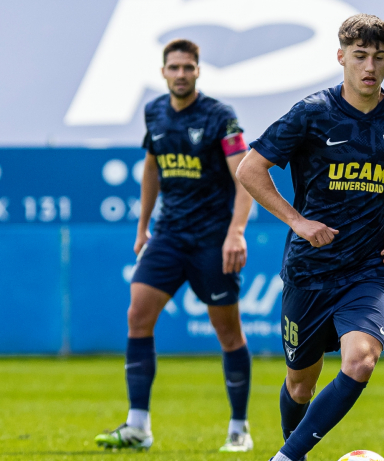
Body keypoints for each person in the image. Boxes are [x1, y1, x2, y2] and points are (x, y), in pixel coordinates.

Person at [236, 14, 384, 461]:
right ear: (341, 58)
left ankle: (286, 458)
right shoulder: (312, 113)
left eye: (379, 57)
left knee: (361, 360)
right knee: (301, 383)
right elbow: (249, 169)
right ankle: (292, 446)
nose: (369, 66)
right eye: (360, 57)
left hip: (366, 268)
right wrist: (297, 221)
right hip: (310, 270)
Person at [94, 39, 254, 453]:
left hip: (212, 241)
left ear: (198, 70)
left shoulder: (220, 116)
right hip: (167, 236)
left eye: (188, 67)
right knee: (137, 317)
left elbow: (246, 177)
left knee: (229, 333)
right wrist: (143, 227)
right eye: (173, 67)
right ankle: (138, 426)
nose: (181, 74)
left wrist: (236, 232)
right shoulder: (154, 112)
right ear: (163, 72)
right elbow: (152, 168)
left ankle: (239, 428)